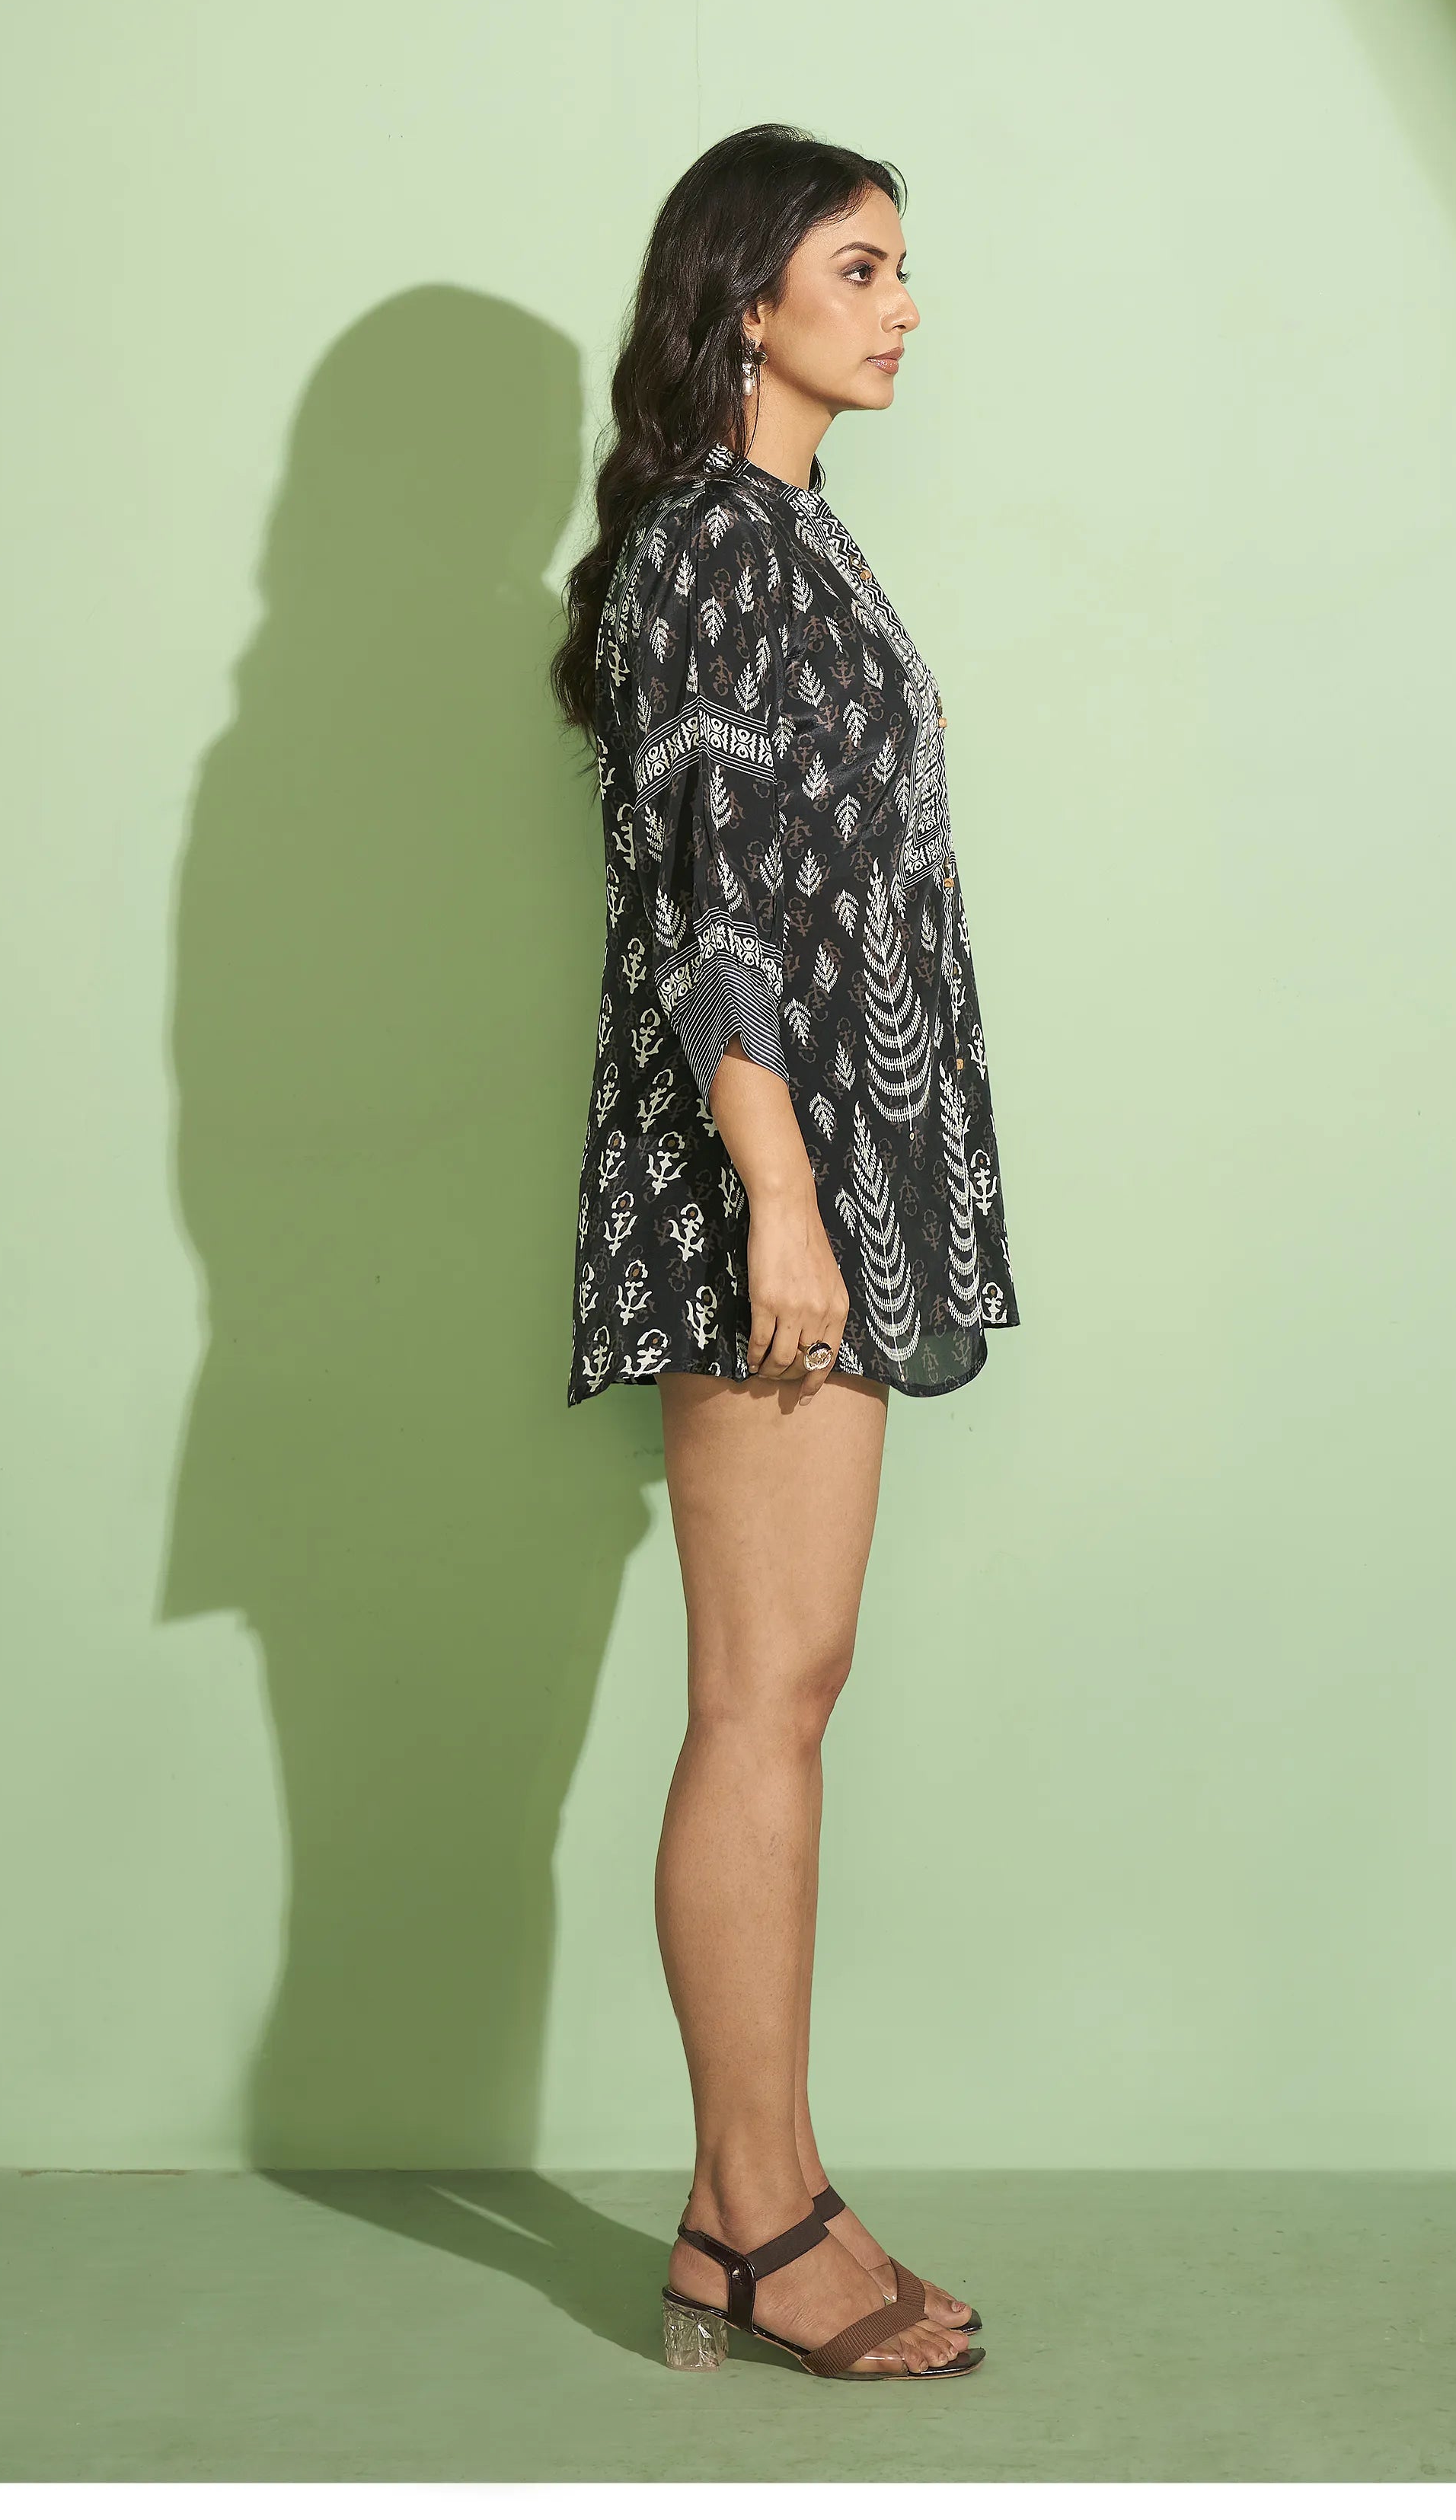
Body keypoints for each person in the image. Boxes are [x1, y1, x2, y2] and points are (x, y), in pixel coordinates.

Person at [549, 124, 1020, 2381]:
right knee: (758, 1697)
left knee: (788, 1690)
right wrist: (784, 1194)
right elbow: (714, 908)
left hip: (824, 1169)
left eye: (904, 268)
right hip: (771, 1187)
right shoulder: (712, 549)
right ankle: (755, 2220)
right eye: (861, 267)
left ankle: (768, 2196)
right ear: (747, 302)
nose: (904, 304)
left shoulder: (787, 535)